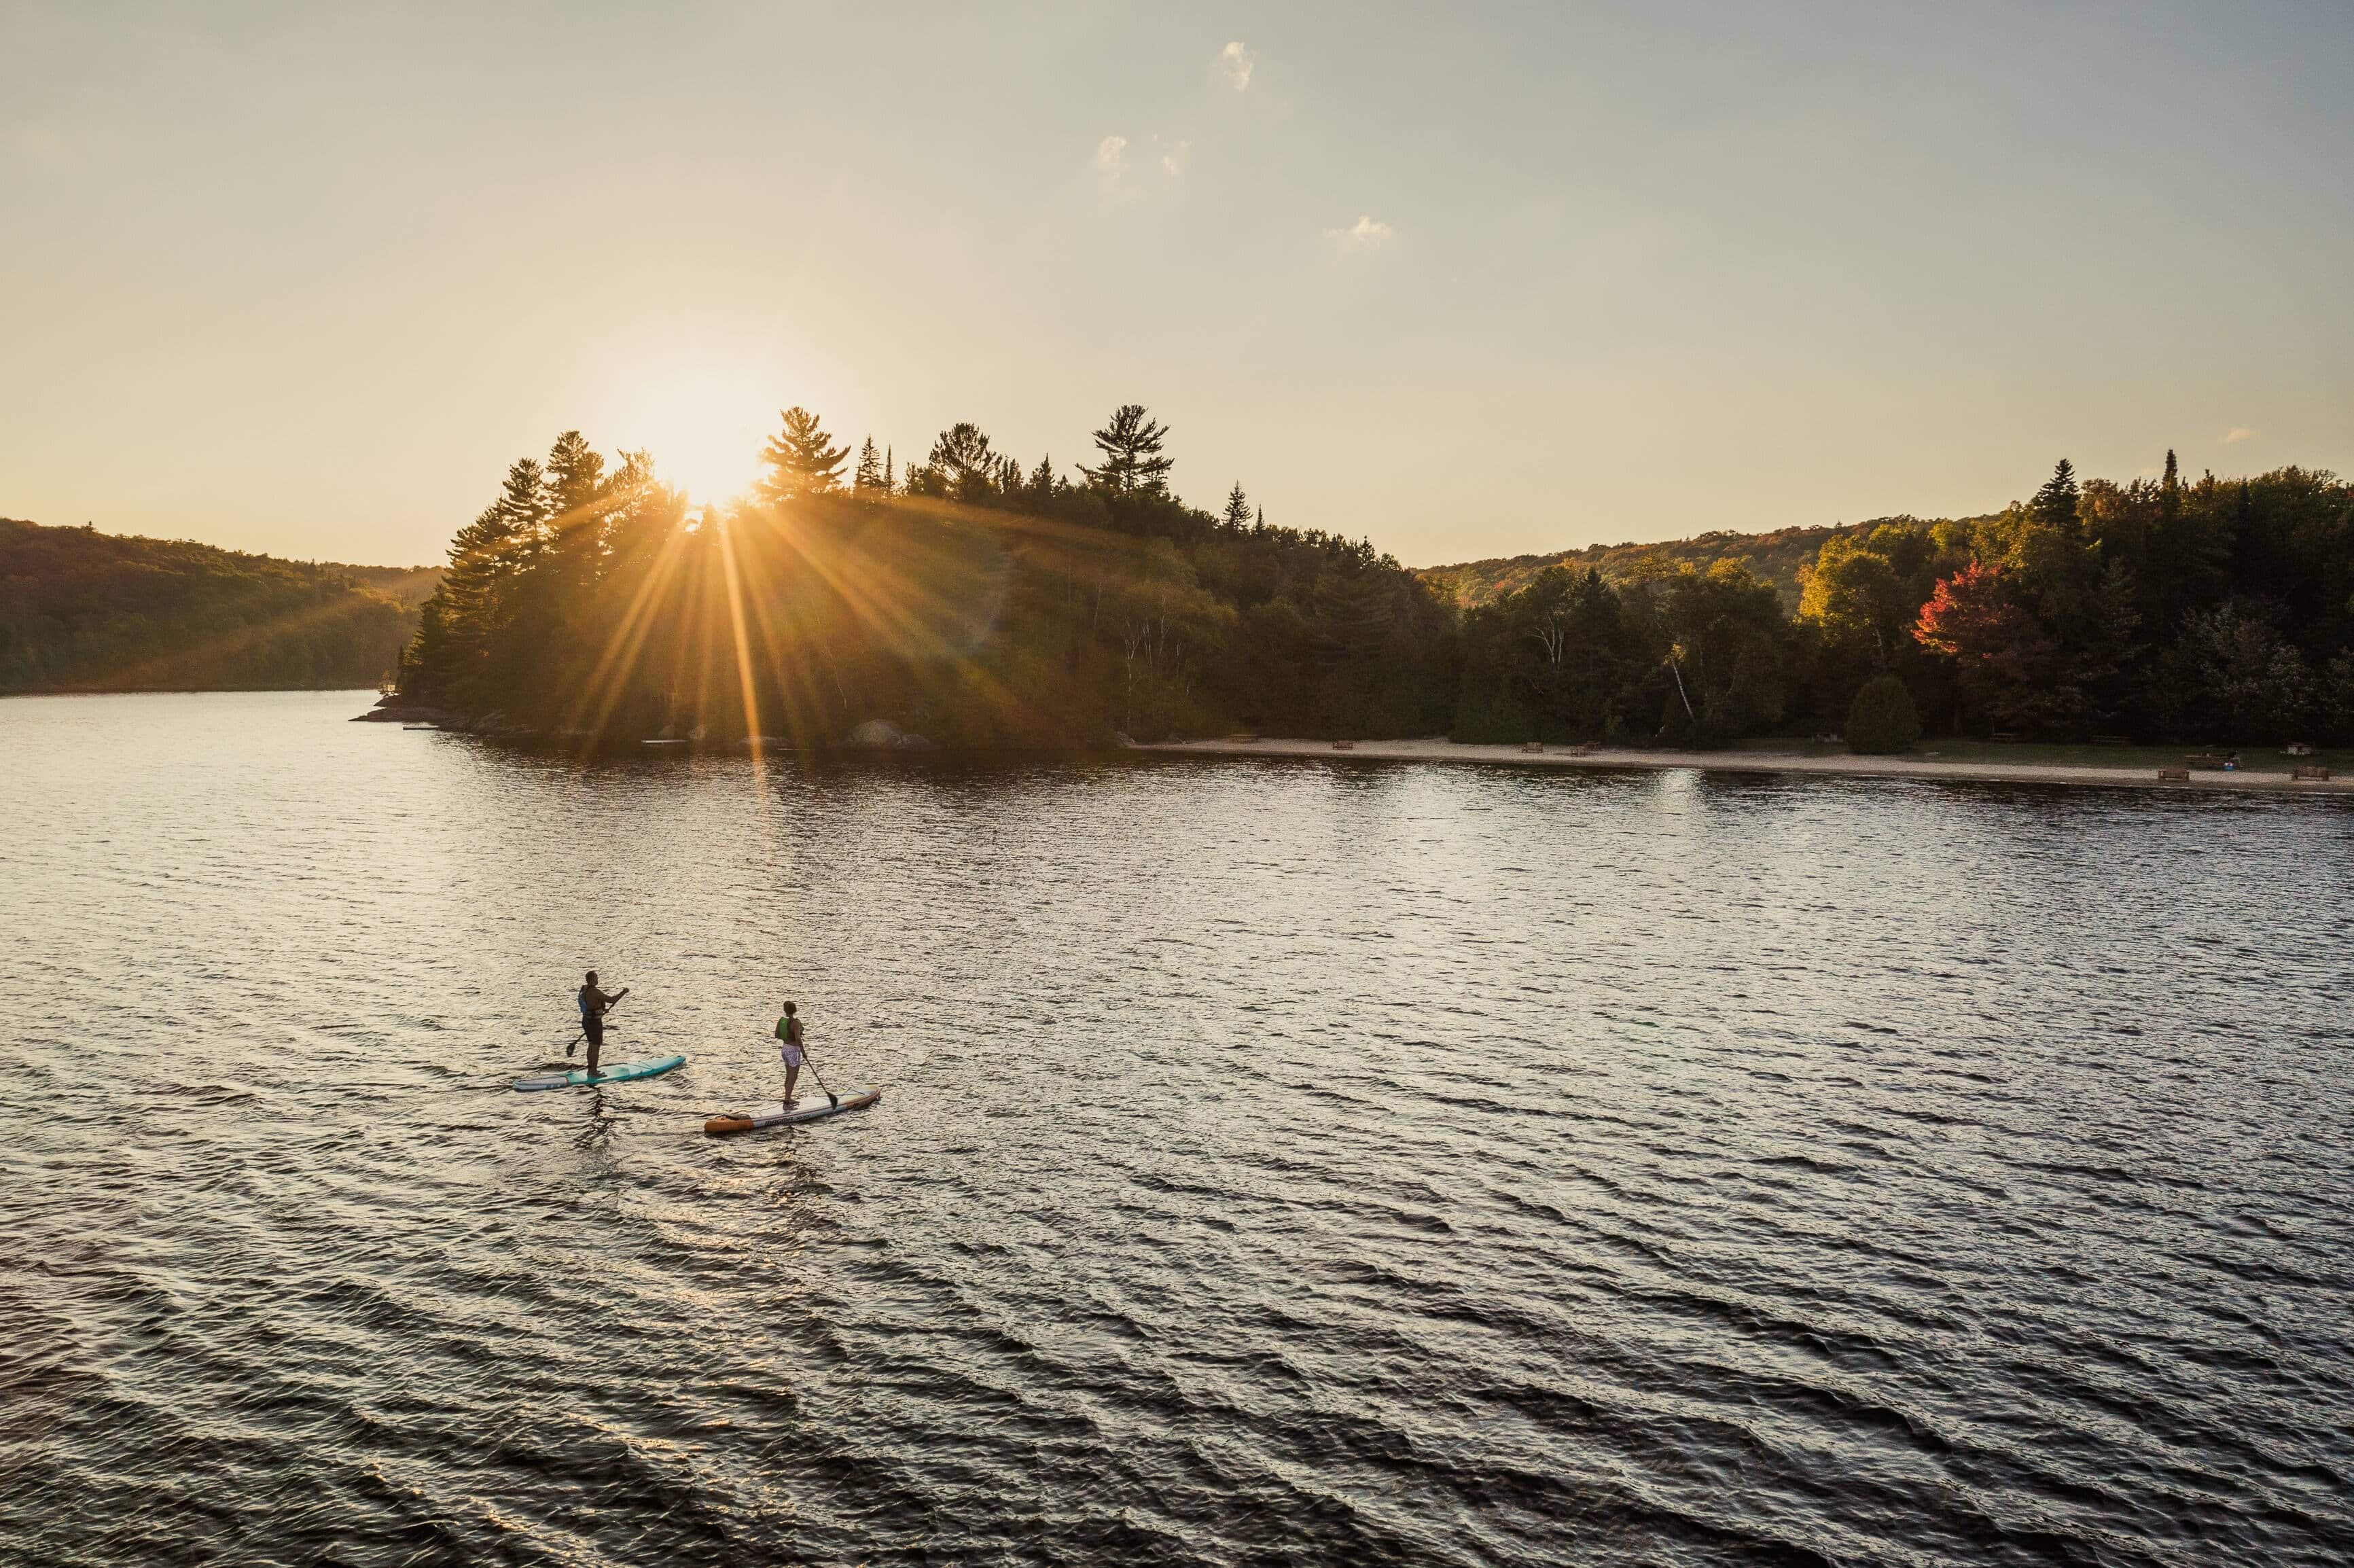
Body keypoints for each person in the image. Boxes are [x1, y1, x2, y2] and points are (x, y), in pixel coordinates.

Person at [575, 971, 629, 1077]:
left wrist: (601, 1010)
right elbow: (612, 1000)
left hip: (586, 1021)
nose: (597, 980)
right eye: (596, 978)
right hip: (594, 1023)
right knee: (595, 1047)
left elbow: (592, 1005)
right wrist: (623, 992)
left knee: (591, 1045)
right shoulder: (595, 992)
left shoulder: (583, 989)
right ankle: (593, 1072)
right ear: (591, 980)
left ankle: (590, 1070)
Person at [774, 1000, 806, 1105]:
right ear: (795, 1010)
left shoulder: (781, 1020)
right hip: (794, 1050)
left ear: (785, 1010)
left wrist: (787, 1036)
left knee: (788, 1074)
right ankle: (788, 1099)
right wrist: (803, 1052)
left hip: (785, 1049)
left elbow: (777, 1035)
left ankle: (787, 1096)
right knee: (794, 1076)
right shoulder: (796, 1023)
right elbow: (798, 1039)